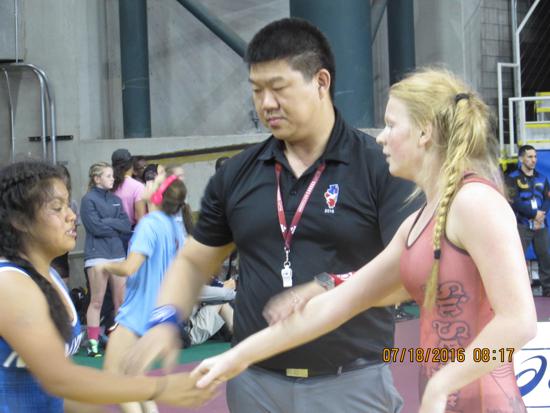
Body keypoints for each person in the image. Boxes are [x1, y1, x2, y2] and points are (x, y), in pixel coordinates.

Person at [193, 69, 538, 413]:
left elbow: (518, 322)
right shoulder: (418, 223)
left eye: (390, 125)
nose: (381, 138)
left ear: (424, 132)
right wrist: (238, 356)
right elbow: (335, 305)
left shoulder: (474, 201)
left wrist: (444, 383)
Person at [127, 18, 417, 413]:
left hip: (351, 382)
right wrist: (164, 319)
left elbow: (406, 276)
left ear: (321, 82)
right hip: (255, 385)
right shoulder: (237, 174)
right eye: (256, 90)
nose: (265, 103)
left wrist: (327, 287)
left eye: (278, 88)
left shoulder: (379, 167)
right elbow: (195, 260)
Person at [0, 161, 216, 412]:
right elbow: (60, 380)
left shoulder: (49, 277)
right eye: (57, 208)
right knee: (126, 373)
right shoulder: (11, 283)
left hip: (142, 309)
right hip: (145, 309)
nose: (72, 216)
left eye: (68, 206)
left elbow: (57, 393)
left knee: (123, 372)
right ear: (19, 220)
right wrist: (160, 388)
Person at [99, 175, 187, 413]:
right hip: (158, 313)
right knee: (136, 378)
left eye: (153, 182)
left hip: (137, 313)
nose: (147, 183)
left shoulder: (148, 225)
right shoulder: (174, 227)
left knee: (114, 377)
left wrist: (106, 265)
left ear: (158, 195)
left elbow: (129, 267)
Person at [80, 162, 132, 357]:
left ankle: (120, 342)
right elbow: (94, 227)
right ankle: (93, 344)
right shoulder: (88, 200)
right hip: (97, 256)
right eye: (108, 176)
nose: (113, 179)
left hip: (117, 255)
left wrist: (108, 222)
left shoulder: (115, 199)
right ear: (97, 179)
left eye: (112, 175)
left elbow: (126, 225)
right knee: (97, 301)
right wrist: (115, 226)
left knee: (121, 301)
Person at [506, 144, 550, 296]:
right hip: (522, 225)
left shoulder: (542, 178)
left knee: (546, 258)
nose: (534, 160)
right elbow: (514, 201)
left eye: (535, 156)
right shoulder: (512, 178)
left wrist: (541, 215)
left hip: (541, 225)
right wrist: (533, 214)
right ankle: (516, 292)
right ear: (521, 159)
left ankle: (548, 290)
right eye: (530, 157)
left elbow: (547, 199)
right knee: (516, 259)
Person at [111, 148, 146, 230]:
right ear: (131, 165)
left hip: (112, 232)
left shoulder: (109, 184)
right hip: (131, 232)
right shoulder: (138, 186)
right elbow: (140, 218)